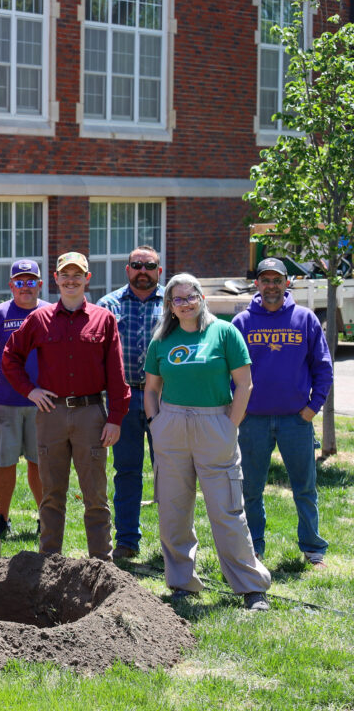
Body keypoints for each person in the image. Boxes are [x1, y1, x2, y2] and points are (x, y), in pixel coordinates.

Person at [144, 273, 271, 610]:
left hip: (215, 424)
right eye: (176, 299)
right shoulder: (161, 341)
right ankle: (182, 582)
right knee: (173, 509)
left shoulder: (224, 333)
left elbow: (244, 384)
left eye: (189, 297)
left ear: (201, 297)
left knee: (227, 509)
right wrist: (155, 424)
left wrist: (230, 425)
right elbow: (151, 389)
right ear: (169, 306)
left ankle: (250, 586)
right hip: (171, 426)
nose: (183, 303)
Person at [2, 251, 129, 561]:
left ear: (87, 279)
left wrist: (115, 418)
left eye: (78, 275)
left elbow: (116, 373)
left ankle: (101, 563)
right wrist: (30, 391)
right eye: (65, 274)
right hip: (51, 414)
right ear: (56, 279)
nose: (71, 280)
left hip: (90, 415)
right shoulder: (39, 319)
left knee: (96, 495)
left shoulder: (104, 319)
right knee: (51, 495)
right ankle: (49, 561)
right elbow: (10, 356)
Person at [232, 257, 333, 570]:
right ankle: (254, 549)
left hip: (295, 420)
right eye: (266, 280)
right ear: (257, 284)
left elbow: (323, 368)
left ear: (287, 283)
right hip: (253, 421)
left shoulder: (304, 320)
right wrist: (237, 411)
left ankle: (313, 549)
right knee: (250, 489)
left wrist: (312, 408)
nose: (272, 286)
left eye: (277, 280)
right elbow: (227, 371)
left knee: (304, 487)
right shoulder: (242, 323)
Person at [95, 245, 165, 560]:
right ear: (127, 269)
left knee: (171, 472)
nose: (143, 271)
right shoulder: (107, 306)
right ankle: (126, 541)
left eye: (149, 266)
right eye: (136, 264)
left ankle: (173, 542)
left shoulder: (174, 304)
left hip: (166, 399)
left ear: (159, 272)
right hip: (122, 400)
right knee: (126, 471)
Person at [0, 259, 47, 539]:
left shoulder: (51, 313)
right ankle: (2, 518)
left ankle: (45, 517)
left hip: (43, 403)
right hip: (4, 401)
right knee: (4, 462)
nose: (25, 287)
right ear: (11, 285)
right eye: (19, 282)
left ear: (40, 284)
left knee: (40, 463)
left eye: (30, 281)